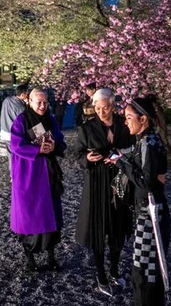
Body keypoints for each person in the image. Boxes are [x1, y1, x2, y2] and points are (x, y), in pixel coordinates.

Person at [74, 88, 135, 296]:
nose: (101, 112)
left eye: (106, 108)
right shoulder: (87, 128)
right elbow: (78, 154)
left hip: (120, 179)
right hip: (97, 182)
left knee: (118, 227)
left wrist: (121, 156)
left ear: (113, 105)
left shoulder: (124, 124)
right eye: (98, 108)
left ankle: (115, 270)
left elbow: (133, 148)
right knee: (99, 229)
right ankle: (101, 274)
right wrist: (87, 159)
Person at [111, 96, 169, 306]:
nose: (125, 122)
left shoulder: (149, 142)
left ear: (143, 119)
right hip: (146, 209)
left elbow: (146, 181)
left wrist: (120, 162)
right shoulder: (145, 139)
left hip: (150, 213)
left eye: (129, 117)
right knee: (144, 266)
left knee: (145, 268)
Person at [10, 87, 67, 272]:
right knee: (29, 215)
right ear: (29, 102)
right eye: (39, 102)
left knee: (51, 214)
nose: (42, 106)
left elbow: (60, 141)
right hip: (28, 173)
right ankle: (30, 260)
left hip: (49, 173)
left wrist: (54, 146)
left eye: (45, 102)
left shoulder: (51, 119)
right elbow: (15, 145)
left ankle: (51, 256)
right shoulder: (21, 120)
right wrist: (37, 149)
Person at [0, 84, 30, 158]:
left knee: (10, 155)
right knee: (16, 157)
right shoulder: (21, 108)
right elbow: (25, 121)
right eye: (27, 93)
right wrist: (27, 104)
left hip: (4, 132)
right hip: (14, 135)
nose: (28, 96)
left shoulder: (6, 100)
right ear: (23, 94)